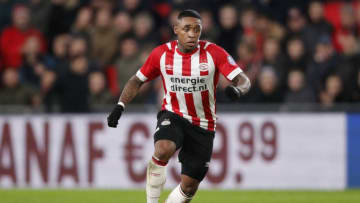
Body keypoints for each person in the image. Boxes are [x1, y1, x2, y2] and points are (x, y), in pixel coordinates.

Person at [107, 10, 251, 203]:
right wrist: (120, 106)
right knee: (163, 148)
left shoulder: (214, 53)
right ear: (176, 30)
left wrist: (238, 90)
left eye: (197, 29)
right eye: (187, 29)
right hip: (173, 114)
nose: (192, 34)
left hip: (203, 125)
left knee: (189, 186)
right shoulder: (161, 54)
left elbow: (244, 80)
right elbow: (136, 80)